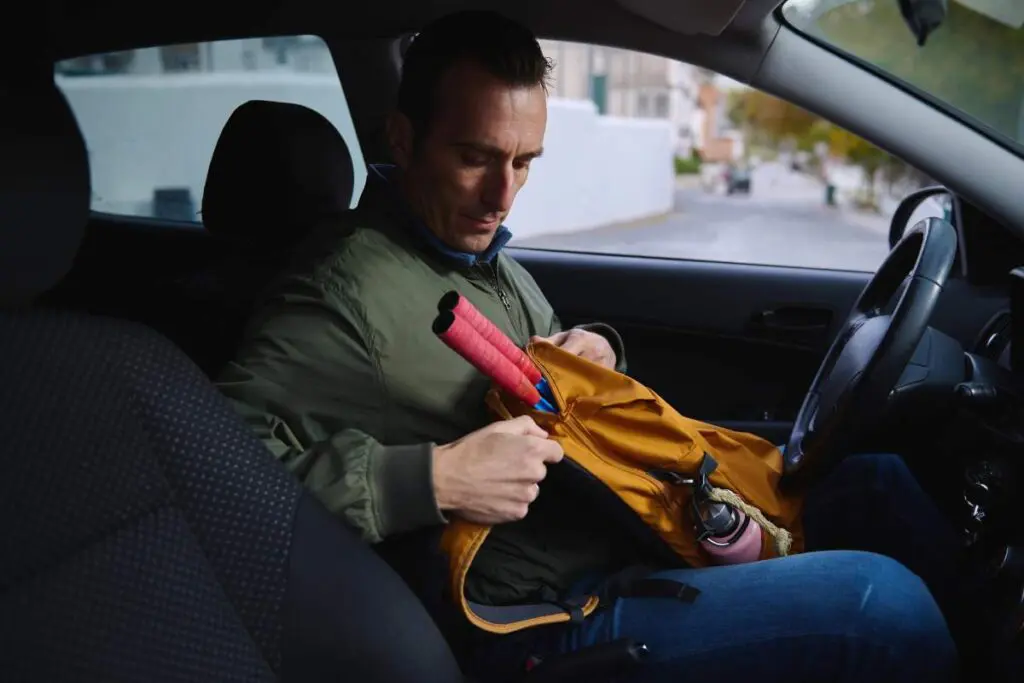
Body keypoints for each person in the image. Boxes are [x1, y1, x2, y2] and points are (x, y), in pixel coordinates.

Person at [217, 10, 977, 681]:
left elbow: (554, 388)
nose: (503, 195)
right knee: (886, 607)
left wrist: (596, 353)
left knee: (874, 480)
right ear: (404, 139)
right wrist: (430, 478)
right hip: (549, 613)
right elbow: (213, 470)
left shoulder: (480, 261)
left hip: (622, 526)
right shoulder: (338, 290)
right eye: (476, 157)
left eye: (523, 163)